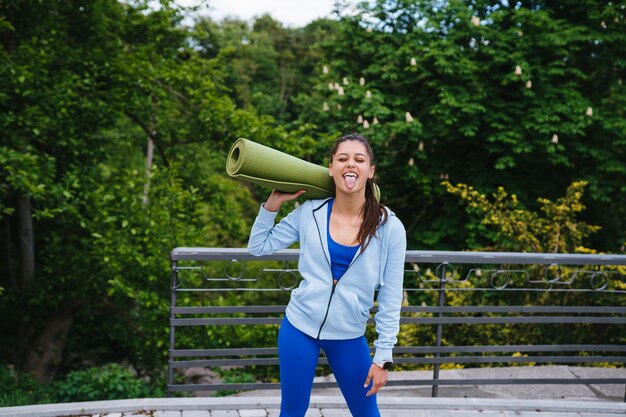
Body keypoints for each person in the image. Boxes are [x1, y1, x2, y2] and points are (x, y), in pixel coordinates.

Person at [247, 133, 407, 417]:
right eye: (342, 158)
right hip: (299, 328)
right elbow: (258, 247)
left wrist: (383, 357)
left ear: (371, 172)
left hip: (349, 336)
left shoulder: (389, 228)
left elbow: (391, 295)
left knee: (367, 413)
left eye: (359, 159)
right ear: (331, 168)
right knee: (293, 412)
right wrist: (273, 203)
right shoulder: (309, 213)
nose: (350, 165)